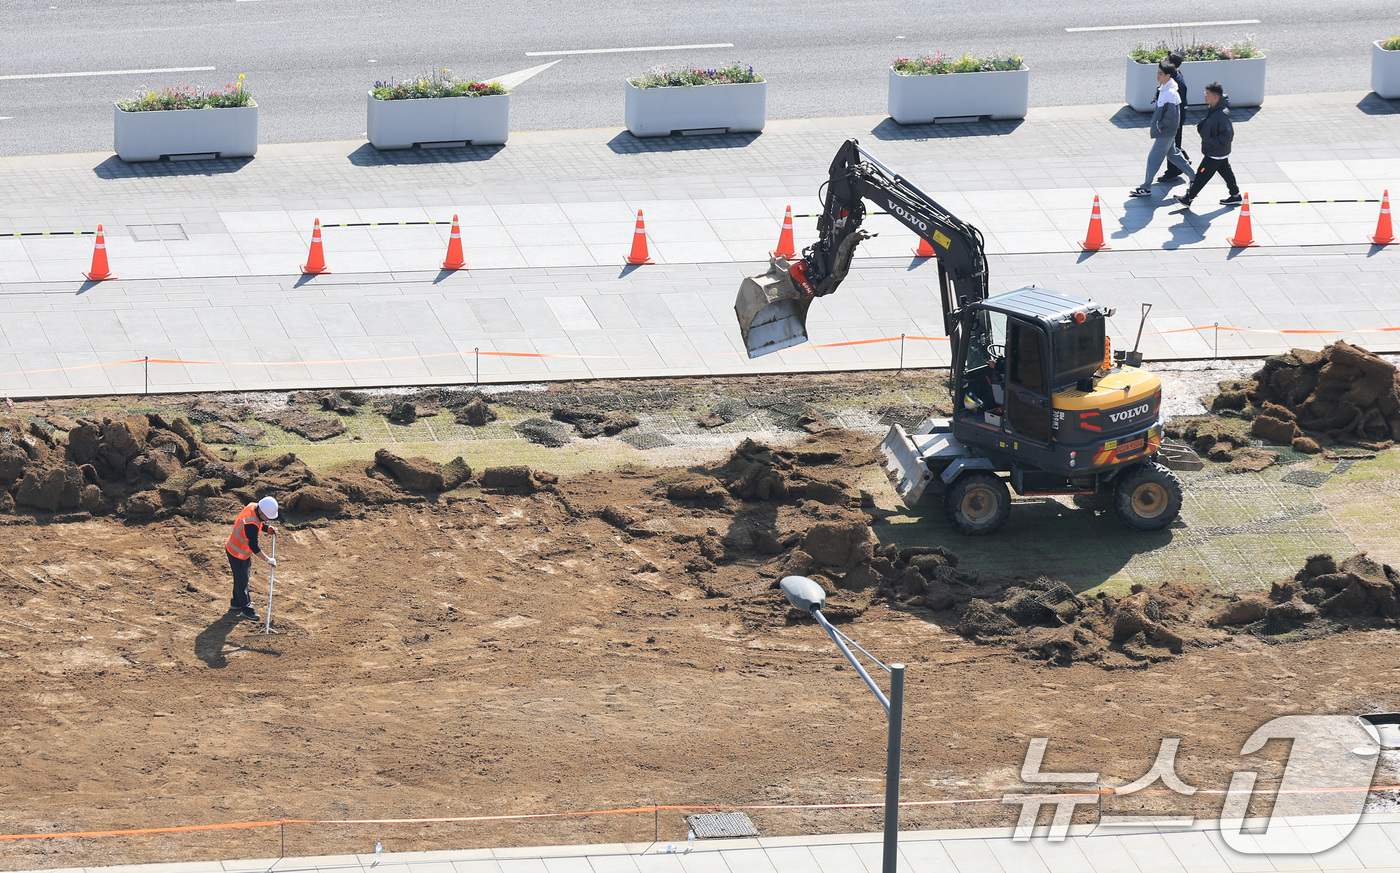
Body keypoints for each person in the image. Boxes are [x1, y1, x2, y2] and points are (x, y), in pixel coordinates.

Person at [1130, 62, 1196, 198]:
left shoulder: (1170, 93)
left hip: (1166, 132)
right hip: (1167, 131)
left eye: (1160, 73)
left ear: (1168, 75)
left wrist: (1159, 126)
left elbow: (1172, 117)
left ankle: (1146, 187)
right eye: (1157, 73)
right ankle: (1195, 177)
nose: (1157, 76)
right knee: (1174, 155)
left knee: (1153, 158)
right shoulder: (1165, 88)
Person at [1174, 82, 1242, 209]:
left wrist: (1211, 142)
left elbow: (1228, 135)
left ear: (1215, 97)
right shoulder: (1215, 109)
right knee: (1226, 172)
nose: (1205, 96)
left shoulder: (1221, 114)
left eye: (1208, 94)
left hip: (1215, 152)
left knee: (1201, 175)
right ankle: (1235, 195)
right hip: (1219, 153)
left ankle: (1189, 198)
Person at [225, 496, 278, 621]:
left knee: (240, 578)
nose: (268, 519)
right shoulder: (251, 524)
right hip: (238, 554)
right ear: (261, 511)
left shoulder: (253, 506)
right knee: (242, 581)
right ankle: (247, 609)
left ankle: (236, 602)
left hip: (235, 549)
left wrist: (267, 528)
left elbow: (258, 521)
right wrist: (267, 559)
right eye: (267, 517)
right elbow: (254, 546)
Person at [1156, 51, 1191, 183]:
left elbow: (1177, 105)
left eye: (1166, 60)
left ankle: (1174, 171)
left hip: (1175, 118)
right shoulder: (1173, 77)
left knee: (1171, 144)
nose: (1163, 61)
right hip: (1173, 117)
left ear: (1172, 64)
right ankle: (1180, 164)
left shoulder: (1177, 83)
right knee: (1172, 144)